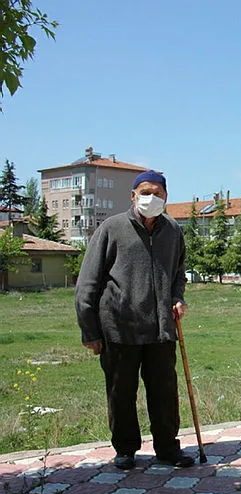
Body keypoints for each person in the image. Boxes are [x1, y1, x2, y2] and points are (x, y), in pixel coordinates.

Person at [75, 170, 194, 470]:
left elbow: (178, 273)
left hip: (161, 329)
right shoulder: (112, 228)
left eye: (158, 193)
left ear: (166, 197)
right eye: (145, 192)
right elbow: (88, 282)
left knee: (165, 393)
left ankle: (168, 448)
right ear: (133, 195)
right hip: (119, 327)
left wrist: (177, 297)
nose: (151, 198)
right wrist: (90, 330)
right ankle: (126, 449)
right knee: (121, 392)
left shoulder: (173, 231)